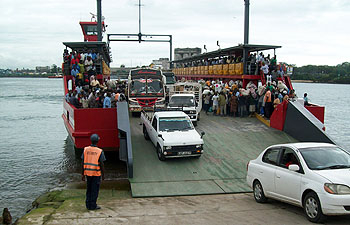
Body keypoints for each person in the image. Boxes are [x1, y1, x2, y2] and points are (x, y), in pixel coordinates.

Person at [81, 134, 106, 210]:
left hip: (87, 173)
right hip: (96, 173)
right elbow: (102, 164)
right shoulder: (99, 151)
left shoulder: (85, 149)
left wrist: (82, 174)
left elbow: (82, 162)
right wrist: (103, 175)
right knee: (94, 190)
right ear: (98, 141)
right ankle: (93, 205)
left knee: (89, 189)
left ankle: (88, 204)